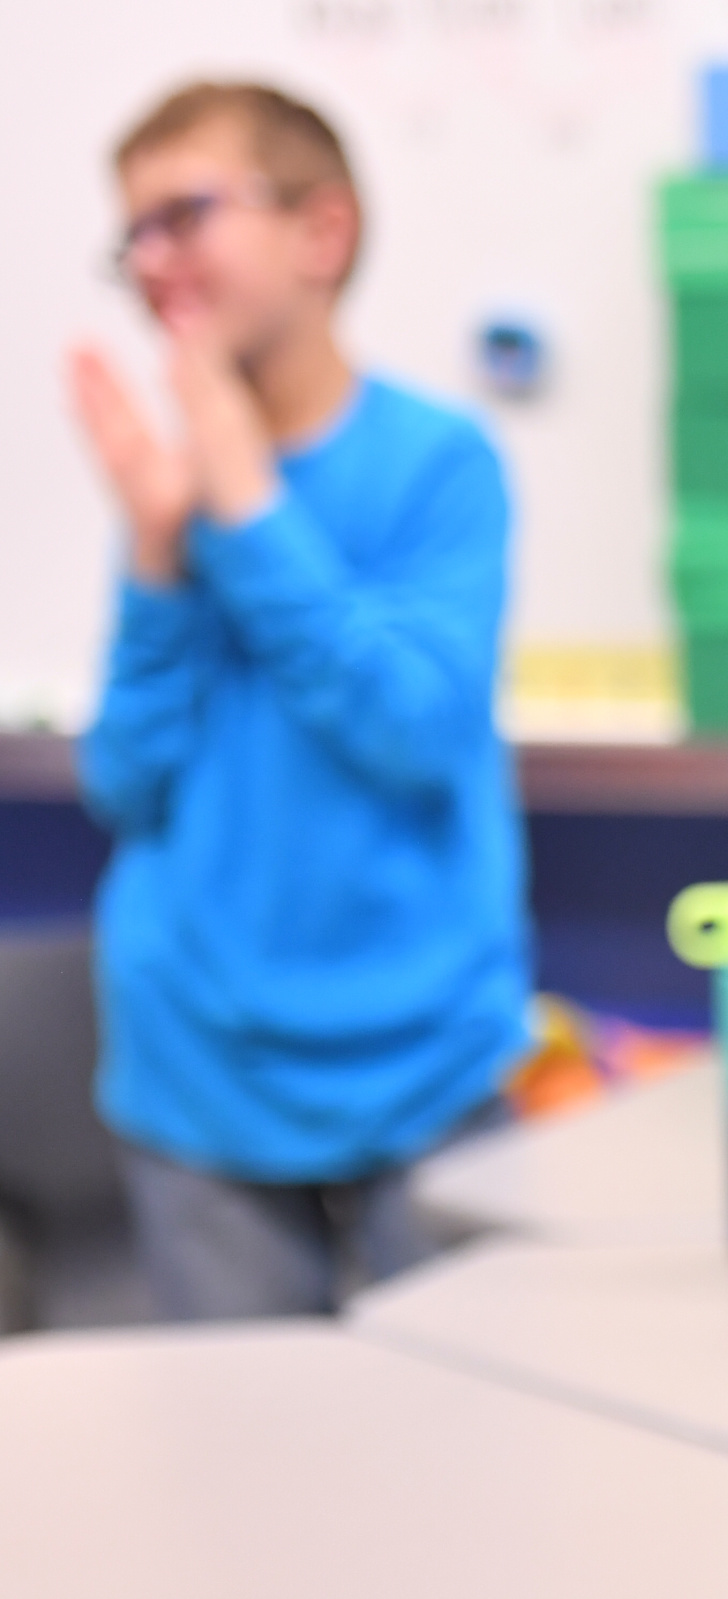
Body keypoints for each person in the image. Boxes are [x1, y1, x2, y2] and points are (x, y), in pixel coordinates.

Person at [70, 83, 529, 1319]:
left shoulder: (440, 464)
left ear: (321, 232)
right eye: (133, 234)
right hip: (197, 1074)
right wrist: (158, 553)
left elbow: (410, 727)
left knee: (464, 1416)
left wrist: (244, 497)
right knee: (241, 1433)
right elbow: (125, 783)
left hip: (425, 1065)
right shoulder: (175, 490)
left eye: (185, 216)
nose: (152, 262)